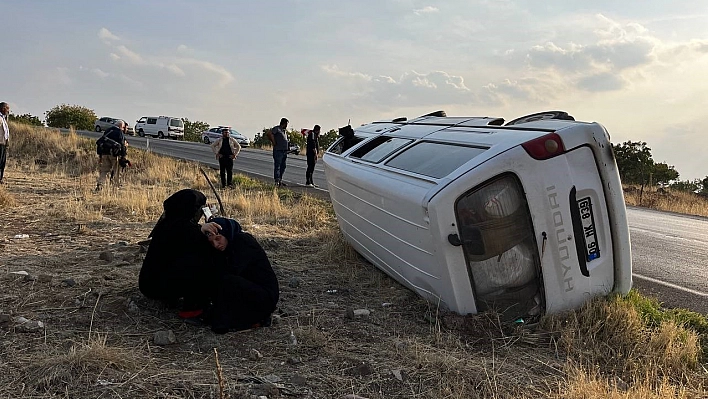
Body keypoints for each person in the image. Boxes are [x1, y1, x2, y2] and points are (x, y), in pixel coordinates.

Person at [139, 189, 221, 317]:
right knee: (207, 261)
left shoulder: (167, 224)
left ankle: (172, 298)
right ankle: (193, 310)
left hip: (149, 284)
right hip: (159, 287)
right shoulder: (188, 232)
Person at [206, 217, 279, 334]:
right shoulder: (227, 246)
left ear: (226, 233)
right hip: (249, 292)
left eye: (218, 239)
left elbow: (231, 273)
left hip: (265, 297)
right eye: (212, 242)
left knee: (227, 280)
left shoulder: (243, 241)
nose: (216, 244)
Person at [95, 120, 127, 191]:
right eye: (123, 127)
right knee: (116, 171)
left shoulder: (108, 130)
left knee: (104, 171)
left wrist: (100, 155)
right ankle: (115, 187)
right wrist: (123, 156)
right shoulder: (119, 132)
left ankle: (100, 185)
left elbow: (102, 141)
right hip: (114, 155)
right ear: (121, 126)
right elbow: (122, 144)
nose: (123, 128)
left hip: (104, 154)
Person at [266, 117, 289, 186]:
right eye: (287, 124)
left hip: (284, 151)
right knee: (278, 165)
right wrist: (273, 141)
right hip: (278, 150)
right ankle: (277, 180)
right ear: (284, 123)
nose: (287, 126)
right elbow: (269, 133)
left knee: (283, 166)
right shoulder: (277, 128)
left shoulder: (284, 131)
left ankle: (280, 179)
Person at [0, 102, 10, 184]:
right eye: (7, 108)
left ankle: (0, 178)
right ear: (3, 108)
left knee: (3, 162)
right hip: (0, 143)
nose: (8, 110)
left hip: (3, 143)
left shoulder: (3, 118)